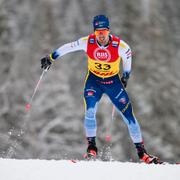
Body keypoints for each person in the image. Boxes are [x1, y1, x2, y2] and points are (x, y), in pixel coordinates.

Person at [41, 15, 161, 164]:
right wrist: (51, 57)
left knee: (128, 116)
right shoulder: (88, 42)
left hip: (113, 83)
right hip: (94, 82)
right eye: (98, 32)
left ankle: (142, 153)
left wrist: (126, 76)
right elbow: (69, 47)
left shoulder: (120, 46)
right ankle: (91, 148)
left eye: (104, 31)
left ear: (108, 31)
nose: (101, 35)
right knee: (90, 111)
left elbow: (128, 59)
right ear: (94, 32)